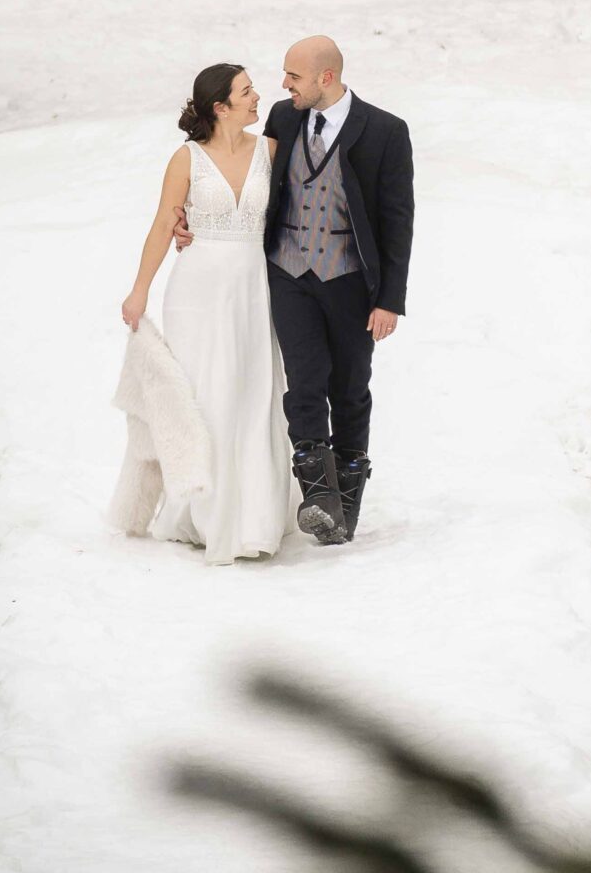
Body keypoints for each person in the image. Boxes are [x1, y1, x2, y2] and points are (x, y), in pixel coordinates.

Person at [176, 34, 413, 546]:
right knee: (304, 381)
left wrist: (389, 299)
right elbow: (246, 175)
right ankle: (318, 498)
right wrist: (190, 217)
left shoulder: (386, 131)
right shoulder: (284, 119)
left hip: (350, 279)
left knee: (349, 388)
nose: (283, 85)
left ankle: (346, 505)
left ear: (326, 78)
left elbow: (398, 221)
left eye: (294, 76)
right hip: (288, 271)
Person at [120, 62, 291, 564]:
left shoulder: (270, 150)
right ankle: (202, 512)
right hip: (197, 292)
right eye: (246, 91)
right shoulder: (186, 159)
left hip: (255, 288)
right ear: (221, 106)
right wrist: (138, 292)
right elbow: (162, 224)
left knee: (254, 393)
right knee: (206, 395)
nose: (257, 97)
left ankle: (255, 516)